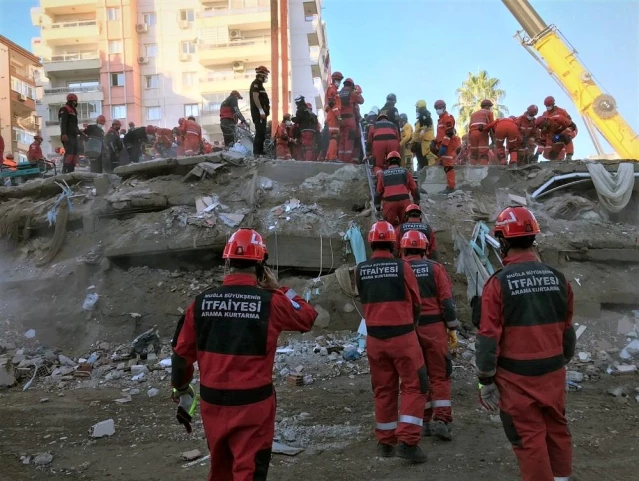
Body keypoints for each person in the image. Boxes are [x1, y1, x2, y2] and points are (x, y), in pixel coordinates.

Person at [171, 228, 317, 481]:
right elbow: (307, 316)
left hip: (213, 403)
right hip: (254, 405)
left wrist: (181, 389)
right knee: (248, 471)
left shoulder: (201, 302)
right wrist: (281, 288)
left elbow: (181, 356)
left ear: (227, 262)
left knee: (220, 470)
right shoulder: (272, 301)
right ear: (262, 265)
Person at [475, 206, 575, 481]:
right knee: (557, 429)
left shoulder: (498, 283)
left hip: (516, 379)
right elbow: (567, 331)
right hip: (553, 373)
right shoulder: (558, 278)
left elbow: (487, 337)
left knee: (527, 437)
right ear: (533, 238)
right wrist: (559, 362)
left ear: (503, 241)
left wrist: (485, 379)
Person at [355, 221, 428, 463]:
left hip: (375, 340)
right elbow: (417, 302)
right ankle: (407, 441)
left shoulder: (360, 269)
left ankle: (386, 441)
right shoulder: (402, 267)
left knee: (383, 389)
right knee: (414, 385)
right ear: (394, 243)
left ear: (371, 242)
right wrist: (412, 324)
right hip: (403, 337)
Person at [400, 230, 458, 442]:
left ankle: (423, 421)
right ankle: (441, 420)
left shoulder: (400, 269)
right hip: (434, 328)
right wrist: (452, 328)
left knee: (417, 376)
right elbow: (447, 301)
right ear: (425, 249)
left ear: (404, 248)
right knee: (440, 374)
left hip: (408, 330)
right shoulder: (435, 268)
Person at [375, 151, 420, 227]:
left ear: (388, 162)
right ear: (399, 161)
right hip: (404, 200)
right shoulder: (405, 172)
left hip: (389, 202)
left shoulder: (382, 174)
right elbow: (414, 189)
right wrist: (416, 203)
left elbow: (378, 193)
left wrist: (378, 208)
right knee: (406, 226)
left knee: (388, 226)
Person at [433, 100, 460, 194]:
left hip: (448, 145)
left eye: (439, 108)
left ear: (444, 107)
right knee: (444, 164)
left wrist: (444, 146)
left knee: (448, 166)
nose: (438, 110)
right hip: (443, 145)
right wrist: (434, 141)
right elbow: (440, 134)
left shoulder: (447, 118)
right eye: (436, 108)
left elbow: (449, 133)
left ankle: (451, 187)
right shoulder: (440, 120)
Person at [337, 78, 364, 163]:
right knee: (349, 141)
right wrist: (356, 92)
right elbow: (361, 101)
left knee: (341, 142)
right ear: (352, 85)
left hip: (340, 121)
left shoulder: (338, 94)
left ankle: (341, 161)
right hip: (350, 121)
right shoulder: (352, 93)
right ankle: (347, 162)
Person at [541, 96, 576, 160]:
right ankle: (554, 158)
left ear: (553, 104)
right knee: (548, 154)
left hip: (564, 130)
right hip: (552, 133)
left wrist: (561, 132)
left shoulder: (561, 112)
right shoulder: (545, 114)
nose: (547, 107)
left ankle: (569, 156)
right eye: (546, 105)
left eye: (549, 105)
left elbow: (570, 123)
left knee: (565, 137)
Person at [250, 66, 271, 156]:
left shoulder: (260, 85)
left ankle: (260, 152)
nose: (266, 77)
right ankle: (257, 153)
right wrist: (261, 111)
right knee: (260, 132)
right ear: (261, 75)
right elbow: (255, 98)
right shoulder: (256, 84)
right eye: (265, 75)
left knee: (262, 133)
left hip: (262, 114)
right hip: (259, 114)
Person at [468, 100, 495, 165]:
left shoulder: (473, 114)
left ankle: (472, 168)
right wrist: (493, 140)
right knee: (483, 153)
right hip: (482, 133)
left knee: (474, 153)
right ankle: (483, 169)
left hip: (472, 134)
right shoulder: (488, 113)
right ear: (488, 106)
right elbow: (492, 126)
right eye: (490, 107)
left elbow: (470, 126)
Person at [59, 93, 80, 173]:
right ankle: (65, 169)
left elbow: (74, 125)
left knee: (75, 152)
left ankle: (71, 169)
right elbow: (62, 122)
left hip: (73, 135)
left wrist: (80, 132)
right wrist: (63, 133)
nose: (76, 103)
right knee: (70, 152)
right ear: (71, 101)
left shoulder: (73, 111)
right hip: (67, 135)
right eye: (75, 101)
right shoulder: (64, 109)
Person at [324, 71, 343, 161]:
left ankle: (328, 156)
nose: (339, 82)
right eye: (339, 80)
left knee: (334, 137)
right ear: (335, 80)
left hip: (333, 115)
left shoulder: (334, 89)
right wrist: (338, 116)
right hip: (333, 115)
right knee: (334, 136)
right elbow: (332, 103)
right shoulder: (332, 89)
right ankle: (332, 157)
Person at [411, 100, 436, 170]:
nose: (416, 109)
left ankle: (431, 175)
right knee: (424, 161)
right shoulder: (425, 118)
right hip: (424, 143)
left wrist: (414, 142)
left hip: (425, 143)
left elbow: (418, 133)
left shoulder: (424, 118)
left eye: (417, 107)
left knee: (429, 158)